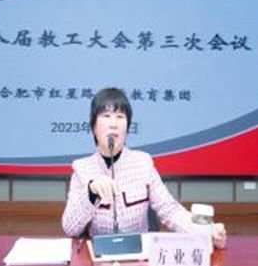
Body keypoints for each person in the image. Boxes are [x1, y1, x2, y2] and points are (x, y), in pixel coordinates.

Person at [62, 87, 228, 248]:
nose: (113, 124)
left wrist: (205, 232)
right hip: (98, 256)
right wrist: (91, 193)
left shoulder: (143, 163)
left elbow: (169, 210)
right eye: (106, 116)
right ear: (93, 127)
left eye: (120, 116)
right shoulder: (82, 170)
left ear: (127, 128)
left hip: (139, 256)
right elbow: (70, 227)